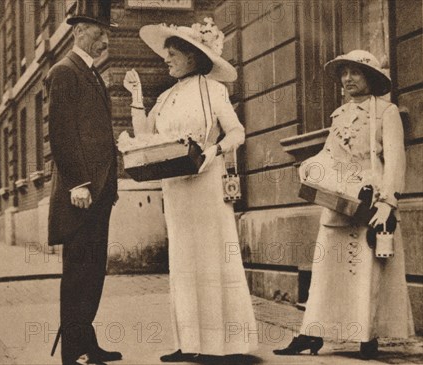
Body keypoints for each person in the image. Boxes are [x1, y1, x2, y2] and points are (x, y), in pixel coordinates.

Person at [123, 18, 257, 361]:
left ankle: (221, 345)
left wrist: (214, 152)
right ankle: (190, 343)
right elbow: (143, 135)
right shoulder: (165, 97)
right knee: (183, 261)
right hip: (177, 187)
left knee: (211, 258)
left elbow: (236, 132)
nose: (166, 59)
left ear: (192, 58)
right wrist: (137, 96)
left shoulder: (213, 91)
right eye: (166, 54)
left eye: (172, 53)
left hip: (206, 184)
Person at [273, 50, 414, 359]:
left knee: (367, 271)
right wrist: (313, 170)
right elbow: (331, 156)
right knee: (327, 271)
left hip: (371, 201)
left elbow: (394, 161)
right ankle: (312, 334)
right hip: (339, 199)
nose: (348, 78)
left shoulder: (386, 112)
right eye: (344, 73)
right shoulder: (339, 115)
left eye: (356, 73)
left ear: (371, 78)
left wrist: (388, 203)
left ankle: (367, 337)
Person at [46, 1, 120, 364]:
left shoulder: (90, 73)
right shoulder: (64, 71)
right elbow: (60, 135)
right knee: (78, 273)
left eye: (106, 34)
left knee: (93, 272)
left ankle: (86, 341)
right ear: (78, 32)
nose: (105, 40)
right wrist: (77, 183)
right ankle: (73, 352)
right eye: (99, 33)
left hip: (100, 193)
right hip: (82, 195)